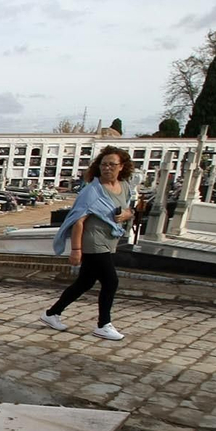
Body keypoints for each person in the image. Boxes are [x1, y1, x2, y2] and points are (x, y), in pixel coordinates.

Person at [42, 145, 137, 341]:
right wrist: (76, 250)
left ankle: (52, 314)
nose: (107, 168)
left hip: (110, 240)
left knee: (84, 283)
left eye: (112, 164)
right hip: (93, 241)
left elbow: (128, 210)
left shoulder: (124, 186)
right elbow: (78, 220)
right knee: (111, 281)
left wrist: (127, 214)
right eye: (103, 164)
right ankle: (103, 324)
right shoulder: (92, 191)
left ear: (122, 166)